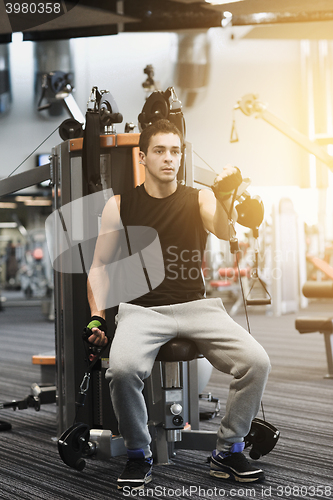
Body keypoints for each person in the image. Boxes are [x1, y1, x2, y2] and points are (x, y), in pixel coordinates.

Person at [86, 119, 271, 490]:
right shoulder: (119, 205)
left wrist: (225, 194)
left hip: (198, 307)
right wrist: (96, 318)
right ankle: (139, 453)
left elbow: (223, 228)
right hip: (142, 311)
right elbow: (98, 267)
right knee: (121, 372)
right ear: (143, 157)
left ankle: (228, 449)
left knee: (256, 362)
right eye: (159, 151)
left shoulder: (199, 198)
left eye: (175, 151)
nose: (169, 158)